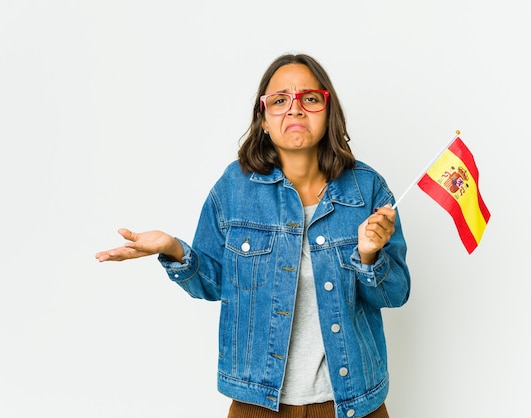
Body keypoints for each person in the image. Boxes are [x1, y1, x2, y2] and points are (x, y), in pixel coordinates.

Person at [96, 53, 411, 418]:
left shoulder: (367, 190)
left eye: (309, 98)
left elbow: (395, 293)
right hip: (257, 404)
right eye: (279, 101)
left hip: (353, 403)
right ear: (263, 119)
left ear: (328, 111)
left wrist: (370, 255)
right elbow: (212, 284)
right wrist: (174, 249)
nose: (295, 110)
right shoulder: (235, 188)